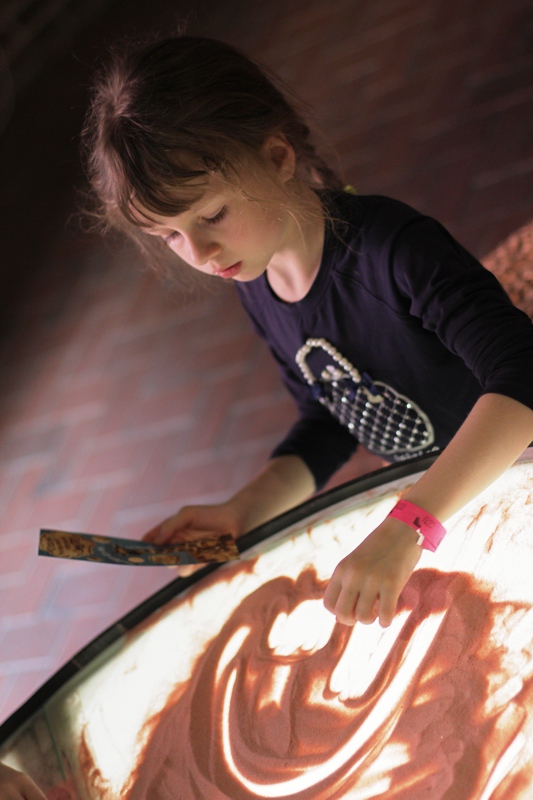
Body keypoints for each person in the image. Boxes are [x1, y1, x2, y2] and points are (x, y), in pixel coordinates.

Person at [82, 34, 533, 629]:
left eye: (212, 214)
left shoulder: (391, 251)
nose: (200, 253)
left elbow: (523, 377)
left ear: (277, 156)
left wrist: (410, 523)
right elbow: (329, 418)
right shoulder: (257, 281)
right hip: (460, 499)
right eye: (170, 235)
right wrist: (243, 511)